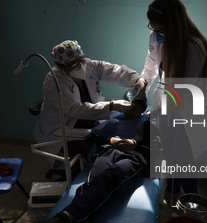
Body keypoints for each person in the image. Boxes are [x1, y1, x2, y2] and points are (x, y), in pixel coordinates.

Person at [37, 91, 161, 223]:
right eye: (127, 108)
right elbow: (99, 137)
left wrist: (135, 145)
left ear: (144, 108)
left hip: (133, 157)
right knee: (94, 179)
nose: (129, 112)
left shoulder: (148, 124)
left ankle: (64, 218)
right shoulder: (115, 119)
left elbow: (156, 149)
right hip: (107, 152)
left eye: (134, 108)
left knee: (112, 175)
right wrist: (110, 140)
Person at [33, 40, 147, 178]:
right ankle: (78, 185)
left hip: (90, 124)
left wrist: (139, 80)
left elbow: (117, 71)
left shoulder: (90, 65)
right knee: (87, 159)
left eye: (81, 61)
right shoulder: (54, 81)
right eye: (73, 65)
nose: (79, 66)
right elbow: (75, 109)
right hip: (62, 129)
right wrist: (112, 106)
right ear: (61, 66)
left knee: (101, 152)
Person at [140, 0, 207, 195]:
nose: (157, 34)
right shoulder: (156, 37)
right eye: (153, 29)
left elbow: (184, 91)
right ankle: (171, 192)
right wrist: (140, 86)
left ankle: (192, 201)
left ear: (173, 26)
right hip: (168, 104)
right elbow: (149, 68)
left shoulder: (195, 47)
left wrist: (154, 112)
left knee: (184, 157)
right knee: (170, 152)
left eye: (161, 31)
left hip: (187, 109)